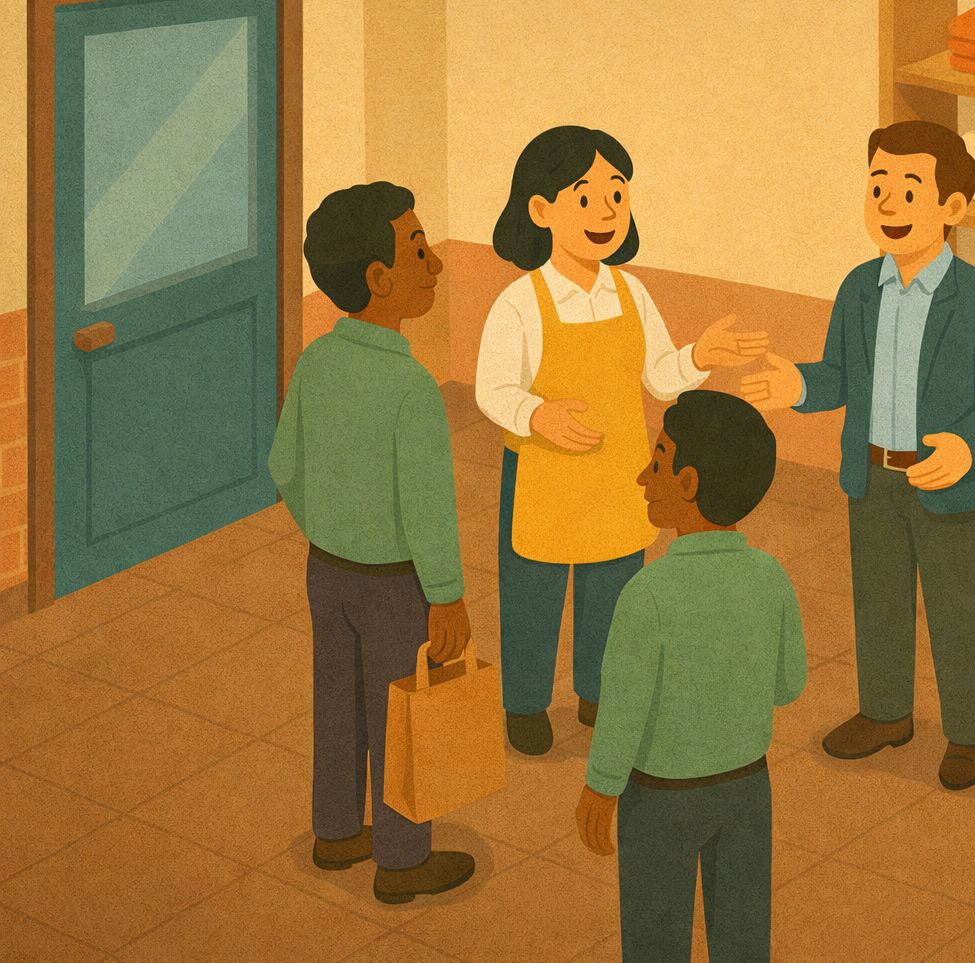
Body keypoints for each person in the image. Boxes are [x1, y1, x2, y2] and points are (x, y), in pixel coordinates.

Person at [741, 120, 975, 791]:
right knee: (879, 602)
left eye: (908, 188)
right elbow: (841, 375)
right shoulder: (857, 289)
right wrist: (801, 386)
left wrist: (964, 446)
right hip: (872, 475)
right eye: (877, 187)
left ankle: (970, 733)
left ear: (953, 209)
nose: (889, 204)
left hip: (949, 482)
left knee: (959, 608)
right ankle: (885, 713)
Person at [476, 127, 769, 757]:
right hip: (544, 478)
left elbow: (659, 377)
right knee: (533, 593)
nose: (607, 210)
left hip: (618, 474)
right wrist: (535, 415)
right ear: (541, 210)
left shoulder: (631, 291)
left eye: (618, 192)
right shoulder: (518, 303)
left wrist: (698, 355)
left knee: (613, 590)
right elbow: (491, 389)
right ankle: (524, 702)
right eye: (585, 196)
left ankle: (598, 691)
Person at [269, 182, 476, 904]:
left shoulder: (316, 363)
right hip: (395, 585)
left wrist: (330, 527)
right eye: (419, 249)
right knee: (401, 715)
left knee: (337, 702)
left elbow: (283, 466)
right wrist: (447, 596)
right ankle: (401, 858)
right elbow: (428, 512)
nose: (437, 265)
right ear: (380, 279)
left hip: (325, 573)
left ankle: (336, 832)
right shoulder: (410, 387)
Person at [575, 390, 805, 963]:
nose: (641, 477)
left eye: (656, 462)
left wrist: (601, 785)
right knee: (744, 935)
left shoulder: (646, 594)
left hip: (661, 801)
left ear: (689, 483)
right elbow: (789, 685)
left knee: (655, 941)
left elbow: (622, 710)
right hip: (748, 788)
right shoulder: (771, 577)